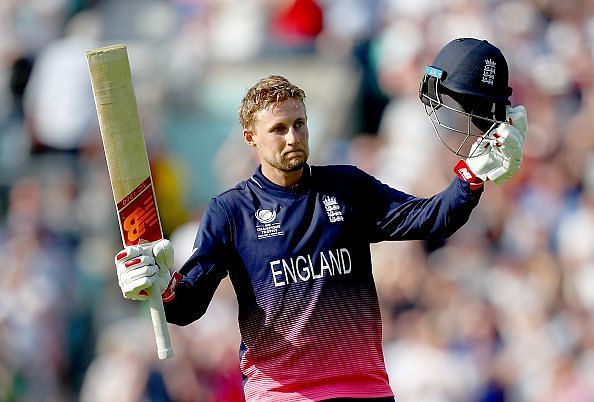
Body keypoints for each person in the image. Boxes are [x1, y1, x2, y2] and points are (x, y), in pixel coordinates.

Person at [114, 38, 527, 402]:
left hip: (363, 388)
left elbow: (431, 219)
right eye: (278, 129)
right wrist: (158, 285)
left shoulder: (347, 187)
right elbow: (188, 305)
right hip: (283, 393)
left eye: (299, 124)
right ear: (250, 138)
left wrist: (473, 176)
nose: (293, 138)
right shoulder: (230, 211)